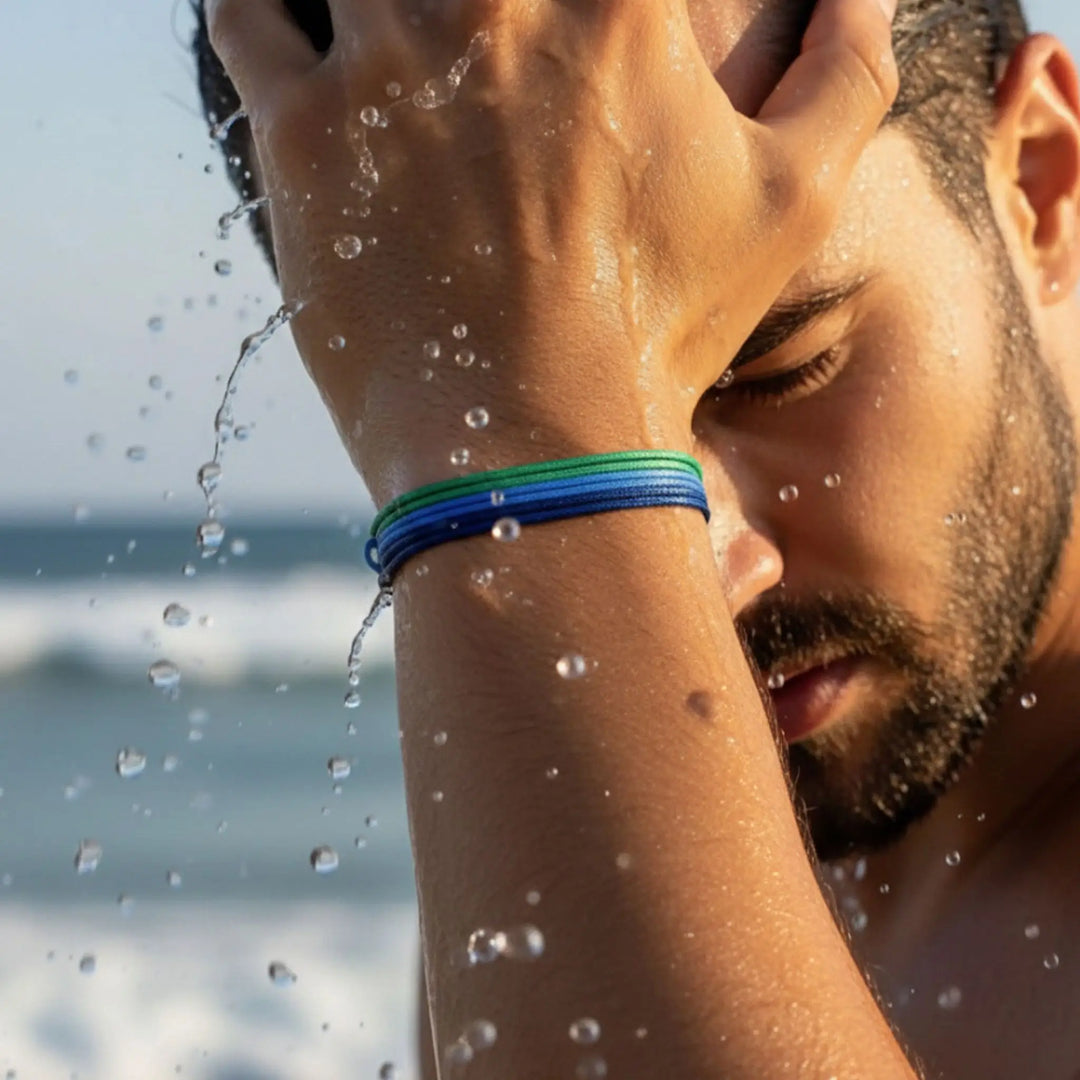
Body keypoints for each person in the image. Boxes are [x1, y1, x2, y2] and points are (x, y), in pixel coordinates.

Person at [194, 0, 1080, 1076]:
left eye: (776, 368)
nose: (700, 563)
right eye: (459, 426)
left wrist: (533, 453)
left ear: (1040, 185)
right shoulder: (577, 725)